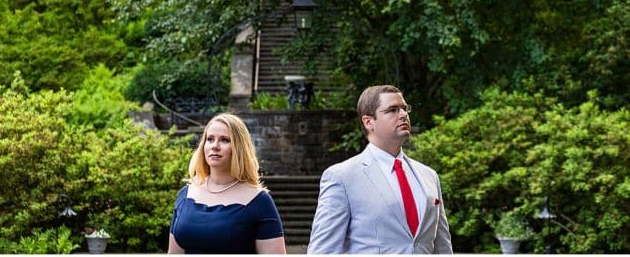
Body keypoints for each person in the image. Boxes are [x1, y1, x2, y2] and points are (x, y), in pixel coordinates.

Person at [307, 85, 453, 254]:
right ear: (368, 122)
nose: (403, 115)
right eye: (392, 110)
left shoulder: (429, 176)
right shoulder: (342, 177)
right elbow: (323, 252)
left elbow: (442, 247)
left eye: (405, 109)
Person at [168, 112, 286, 254]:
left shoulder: (259, 201)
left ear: (239, 148)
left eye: (224, 140)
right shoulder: (185, 195)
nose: (215, 146)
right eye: (210, 139)